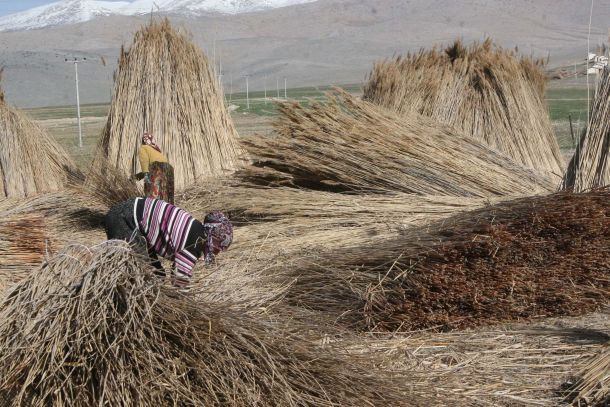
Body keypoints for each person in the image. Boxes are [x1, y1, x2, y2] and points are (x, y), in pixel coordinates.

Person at [105, 197, 233, 289]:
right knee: (144, 277)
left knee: (158, 275)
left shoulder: (196, 230)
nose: (217, 252)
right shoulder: (193, 244)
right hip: (125, 220)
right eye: (218, 247)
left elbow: (175, 273)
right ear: (211, 238)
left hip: (130, 217)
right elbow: (180, 281)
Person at [136, 132, 175, 204]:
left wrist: (146, 175)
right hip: (169, 170)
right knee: (166, 196)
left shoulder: (144, 148)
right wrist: (138, 176)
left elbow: (145, 162)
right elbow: (161, 167)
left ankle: (152, 211)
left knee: (152, 196)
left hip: (156, 168)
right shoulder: (158, 151)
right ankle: (167, 212)